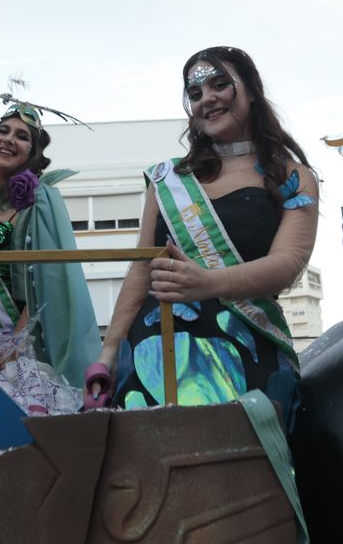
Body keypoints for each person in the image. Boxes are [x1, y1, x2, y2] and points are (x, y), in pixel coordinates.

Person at [85, 46, 319, 431]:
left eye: (219, 84)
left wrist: (211, 283)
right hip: (154, 352)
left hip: (246, 348)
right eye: (195, 94)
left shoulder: (291, 176)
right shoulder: (167, 179)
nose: (206, 99)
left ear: (251, 90)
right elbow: (142, 269)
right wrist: (107, 355)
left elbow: (289, 261)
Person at [0, 102, 101, 387]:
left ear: (32, 154)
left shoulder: (38, 202)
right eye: (3, 131)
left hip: (17, 346)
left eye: (22, 136)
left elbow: (47, 281)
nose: (9, 139)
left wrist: (16, 344)